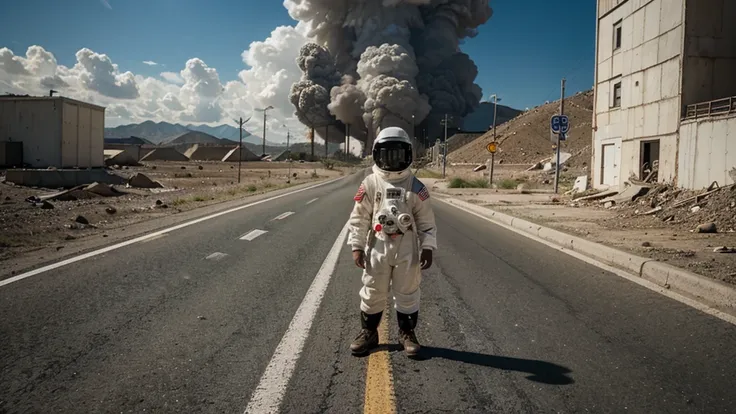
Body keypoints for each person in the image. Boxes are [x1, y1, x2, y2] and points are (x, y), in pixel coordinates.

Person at [347, 126, 437, 357]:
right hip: (378, 244)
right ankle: (369, 332)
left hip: (407, 246)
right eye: (387, 154)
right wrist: (357, 246)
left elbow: (426, 223)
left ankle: (407, 333)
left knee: (407, 290)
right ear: (377, 154)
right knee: (373, 288)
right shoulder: (370, 183)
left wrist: (428, 248)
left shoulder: (416, 187)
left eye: (398, 154)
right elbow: (358, 218)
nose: (393, 159)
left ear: (408, 155)